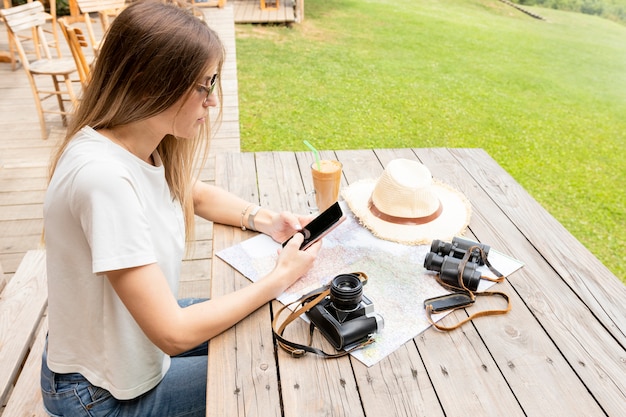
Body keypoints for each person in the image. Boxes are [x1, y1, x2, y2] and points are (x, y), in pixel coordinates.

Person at [40, 1, 321, 416]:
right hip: (98, 394)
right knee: (269, 370)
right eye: (203, 86)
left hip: (127, 341)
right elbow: (173, 333)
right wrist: (279, 277)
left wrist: (265, 219)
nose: (211, 101)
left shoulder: (134, 143)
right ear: (152, 84)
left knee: (271, 324)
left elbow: (194, 193)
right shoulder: (103, 179)